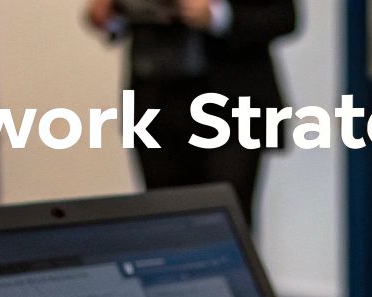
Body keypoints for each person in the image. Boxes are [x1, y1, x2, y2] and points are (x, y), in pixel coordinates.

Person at [86, 0, 297, 225]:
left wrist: (216, 16)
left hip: (231, 106)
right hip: (155, 104)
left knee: (227, 223)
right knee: (164, 223)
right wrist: (111, 14)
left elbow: (283, 16)